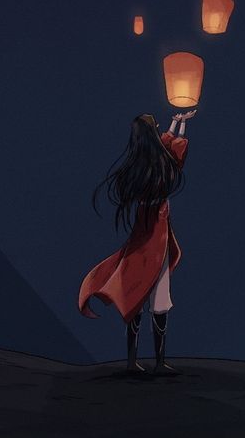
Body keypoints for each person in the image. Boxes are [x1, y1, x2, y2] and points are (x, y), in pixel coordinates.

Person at [78, 108, 197, 376]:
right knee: (159, 302)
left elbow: (166, 147)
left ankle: (133, 361)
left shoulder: (139, 165)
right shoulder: (160, 169)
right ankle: (158, 361)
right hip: (156, 241)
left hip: (141, 242)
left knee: (137, 296)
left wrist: (176, 122)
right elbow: (174, 154)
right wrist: (180, 127)